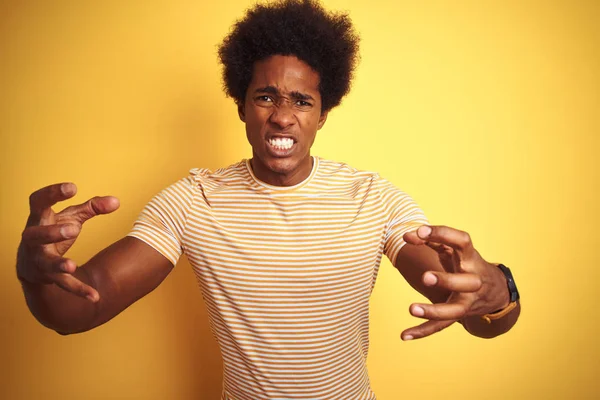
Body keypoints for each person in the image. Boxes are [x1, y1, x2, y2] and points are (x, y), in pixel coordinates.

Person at [16, 0, 520, 399]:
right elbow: (77, 309)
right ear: (241, 104)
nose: (283, 116)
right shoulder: (192, 202)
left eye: (302, 101)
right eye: (266, 97)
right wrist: (36, 275)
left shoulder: (373, 199)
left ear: (323, 115)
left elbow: (475, 312)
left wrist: (497, 290)